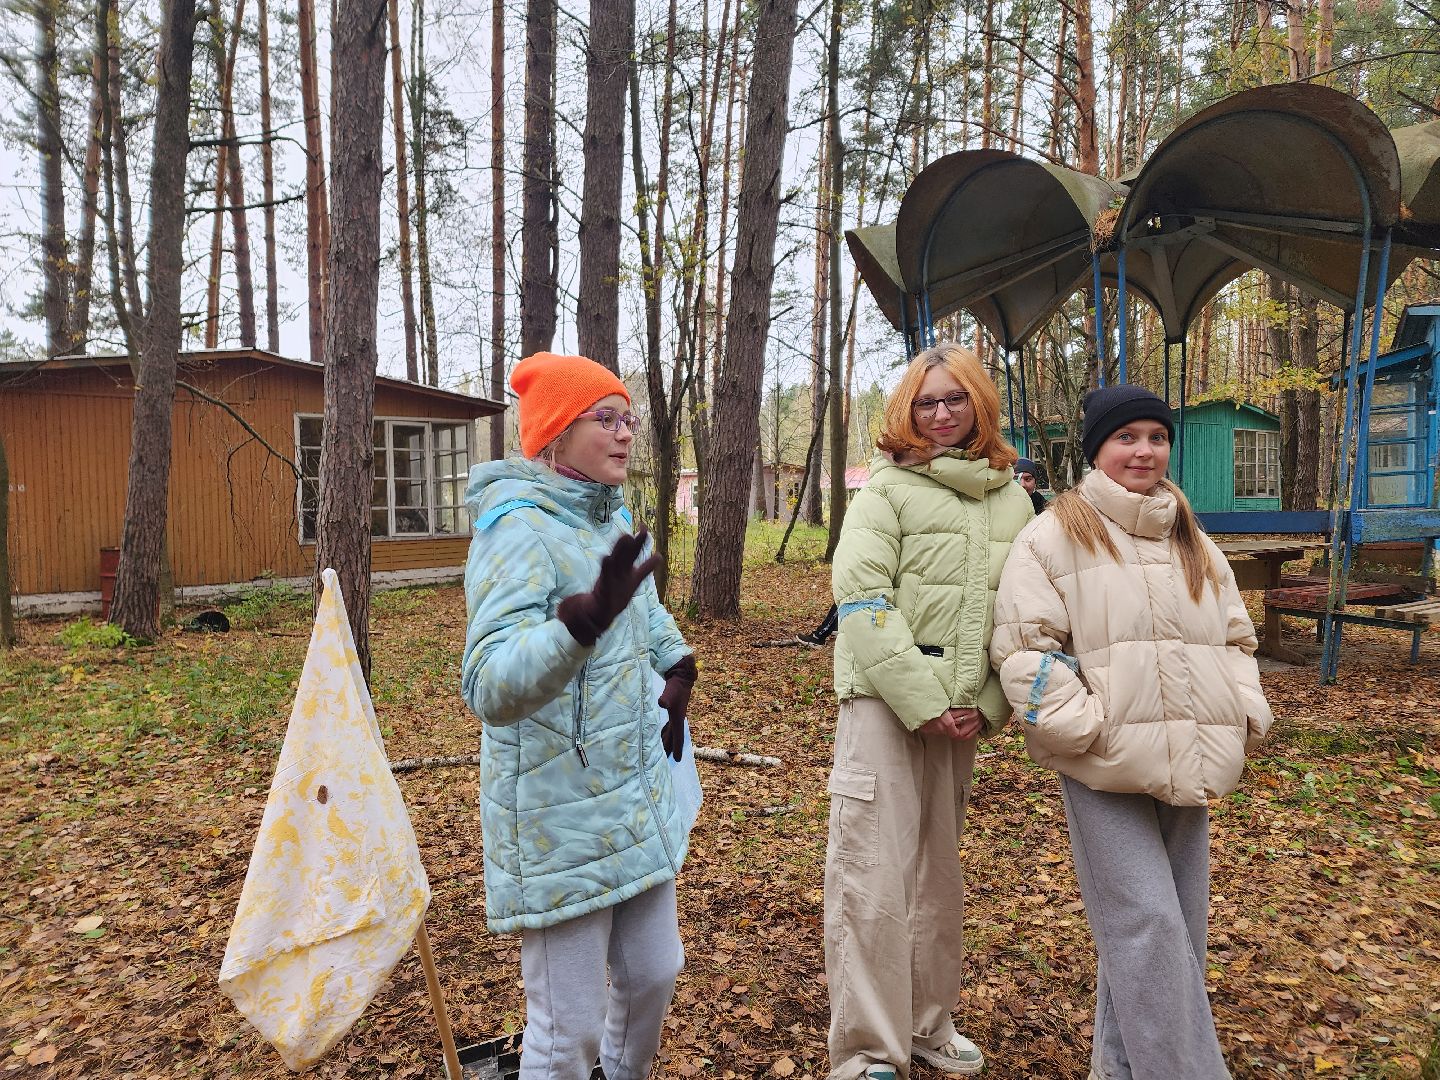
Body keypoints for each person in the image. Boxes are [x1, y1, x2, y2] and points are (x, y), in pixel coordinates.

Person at [989, 384, 1274, 1080]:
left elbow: (1236, 635)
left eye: (1156, 435)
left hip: (1194, 756)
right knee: (1146, 926)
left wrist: (1243, 710)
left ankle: (1118, 1068)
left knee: (1175, 929)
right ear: (1098, 448)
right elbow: (1024, 648)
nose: (1143, 450)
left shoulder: (1191, 537)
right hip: (1104, 765)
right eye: (1126, 437)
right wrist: (1085, 725)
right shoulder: (1055, 532)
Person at [460, 351, 698, 1080]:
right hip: (556, 814)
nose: (625, 433)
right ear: (557, 432)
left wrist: (679, 666)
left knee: (655, 973)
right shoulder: (516, 530)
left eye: (629, 419)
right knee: (568, 1032)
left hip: (631, 798)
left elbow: (649, 618)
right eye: (606, 418)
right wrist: (579, 626)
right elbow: (488, 683)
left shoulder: (614, 518)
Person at [826, 342, 1035, 1080]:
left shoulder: (1012, 496)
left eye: (954, 399)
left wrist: (987, 703)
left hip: (963, 715)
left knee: (937, 879)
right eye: (926, 401)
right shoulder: (886, 489)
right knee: (873, 874)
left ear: (979, 402)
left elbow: (1022, 612)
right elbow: (862, 598)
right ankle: (866, 1051)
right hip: (885, 706)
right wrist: (919, 701)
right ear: (907, 411)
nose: (941, 413)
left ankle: (926, 1023)